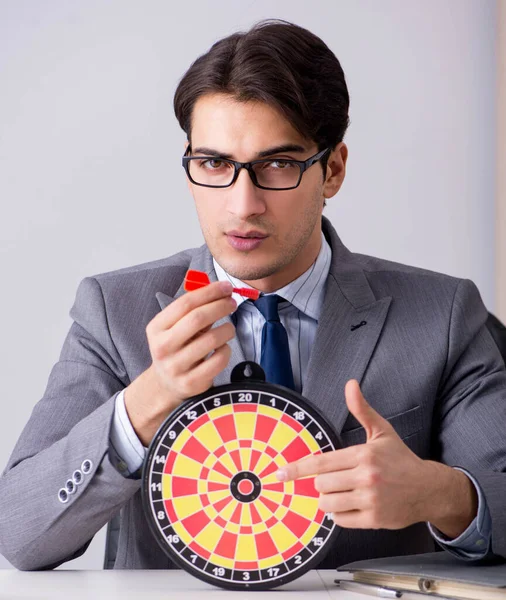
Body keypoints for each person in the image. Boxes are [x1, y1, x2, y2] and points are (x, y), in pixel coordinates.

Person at [1, 19, 505, 572]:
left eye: (278, 164)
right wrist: (146, 402)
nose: (243, 204)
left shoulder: (444, 315)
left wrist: (445, 495)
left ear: (332, 169)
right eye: (215, 163)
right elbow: (19, 533)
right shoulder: (113, 310)